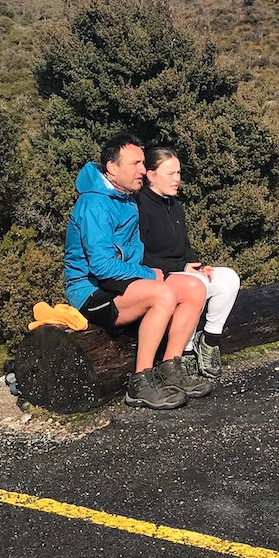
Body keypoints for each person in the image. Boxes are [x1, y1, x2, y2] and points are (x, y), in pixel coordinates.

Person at [64, 133, 213, 410]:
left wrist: (159, 271)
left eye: (143, 163)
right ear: (112, 167)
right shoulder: (95, 204)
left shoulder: (126, 198)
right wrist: (151, 275)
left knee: (195, 288)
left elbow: (135, 252)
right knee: (163, 294)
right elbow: (101, 266)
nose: (143, 171)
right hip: (91, 292)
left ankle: (171, 367)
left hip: (122, 283)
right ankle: (140, 382)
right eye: (136, 164)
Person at [137, 145, 241, 380]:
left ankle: (209, 341)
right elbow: (140, 255)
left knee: (228, 278)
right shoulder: (140, 206)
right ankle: (184, 352)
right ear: (151, 176)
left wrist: (197, 263)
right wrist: (181, 268)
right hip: (157, 277)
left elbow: (183, 248)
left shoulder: (176, 207)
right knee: (195, 285)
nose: (177, 179)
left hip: (181, 271)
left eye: (179, 173)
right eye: (171, 173)